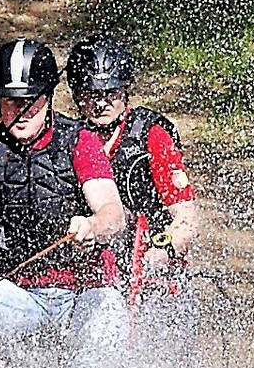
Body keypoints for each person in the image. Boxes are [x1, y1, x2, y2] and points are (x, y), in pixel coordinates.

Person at [0, 39, 128, 368]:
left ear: (48, 99)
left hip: (85, 292)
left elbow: (112, 214)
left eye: (31, 102)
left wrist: (92, 226)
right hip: (16, 293)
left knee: (110, 324)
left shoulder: (80, 142)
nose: (21, 112)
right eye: (10, 103)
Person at [65, 36, 200, 311]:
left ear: (124, 90)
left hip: (157, 274)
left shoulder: (152, 135)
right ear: (78, 95)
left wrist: (162, 250)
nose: (100, 103)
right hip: (95, 271)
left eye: (110, 93)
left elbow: (187, 218)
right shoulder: (70, 138)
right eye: (91, 94)